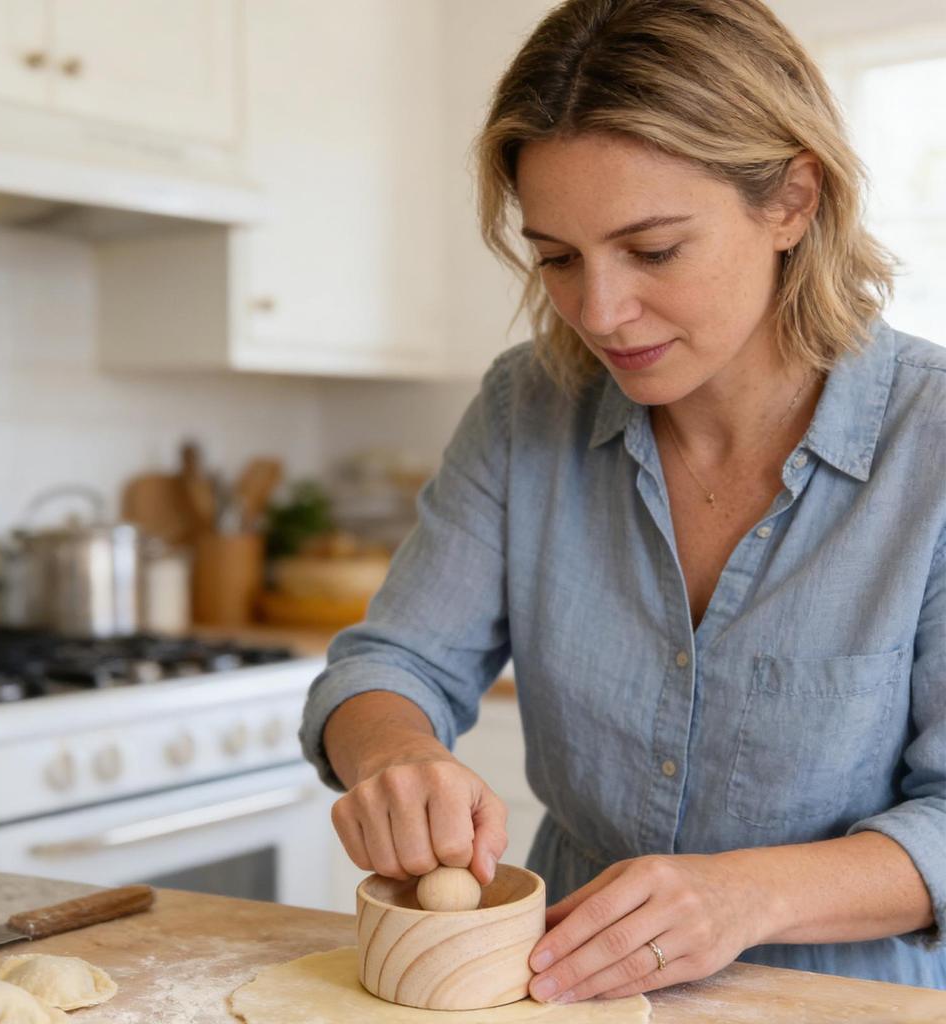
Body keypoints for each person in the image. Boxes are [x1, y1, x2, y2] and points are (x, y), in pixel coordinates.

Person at [299, 0, 946, 1001]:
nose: (598, 312)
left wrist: (749, 896)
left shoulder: (932, 444)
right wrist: (395, 754)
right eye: (557, 256)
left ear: (790, 201)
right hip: (569, 999)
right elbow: (391, 664)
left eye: (651, 251)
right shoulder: (527, 407)